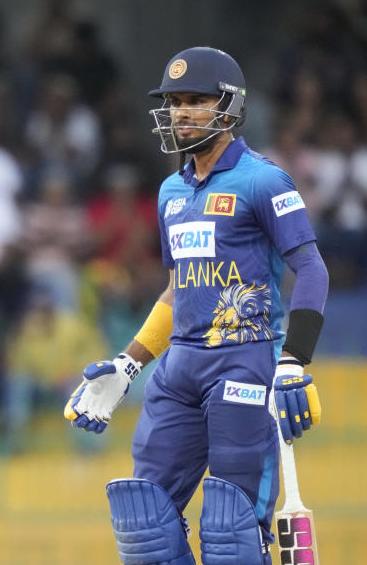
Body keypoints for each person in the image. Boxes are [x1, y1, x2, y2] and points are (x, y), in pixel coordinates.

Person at [64, 47, 330, 565]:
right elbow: (175, 291)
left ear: (229, 107)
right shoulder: (169, 191)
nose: (182, 112)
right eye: (175, 102)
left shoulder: (263, 180)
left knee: (231, 531)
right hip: (178, 368)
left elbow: (313, 269)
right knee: (145, 524)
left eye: (196, 101)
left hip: (245, 360)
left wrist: (295, 359)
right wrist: (128, 363)